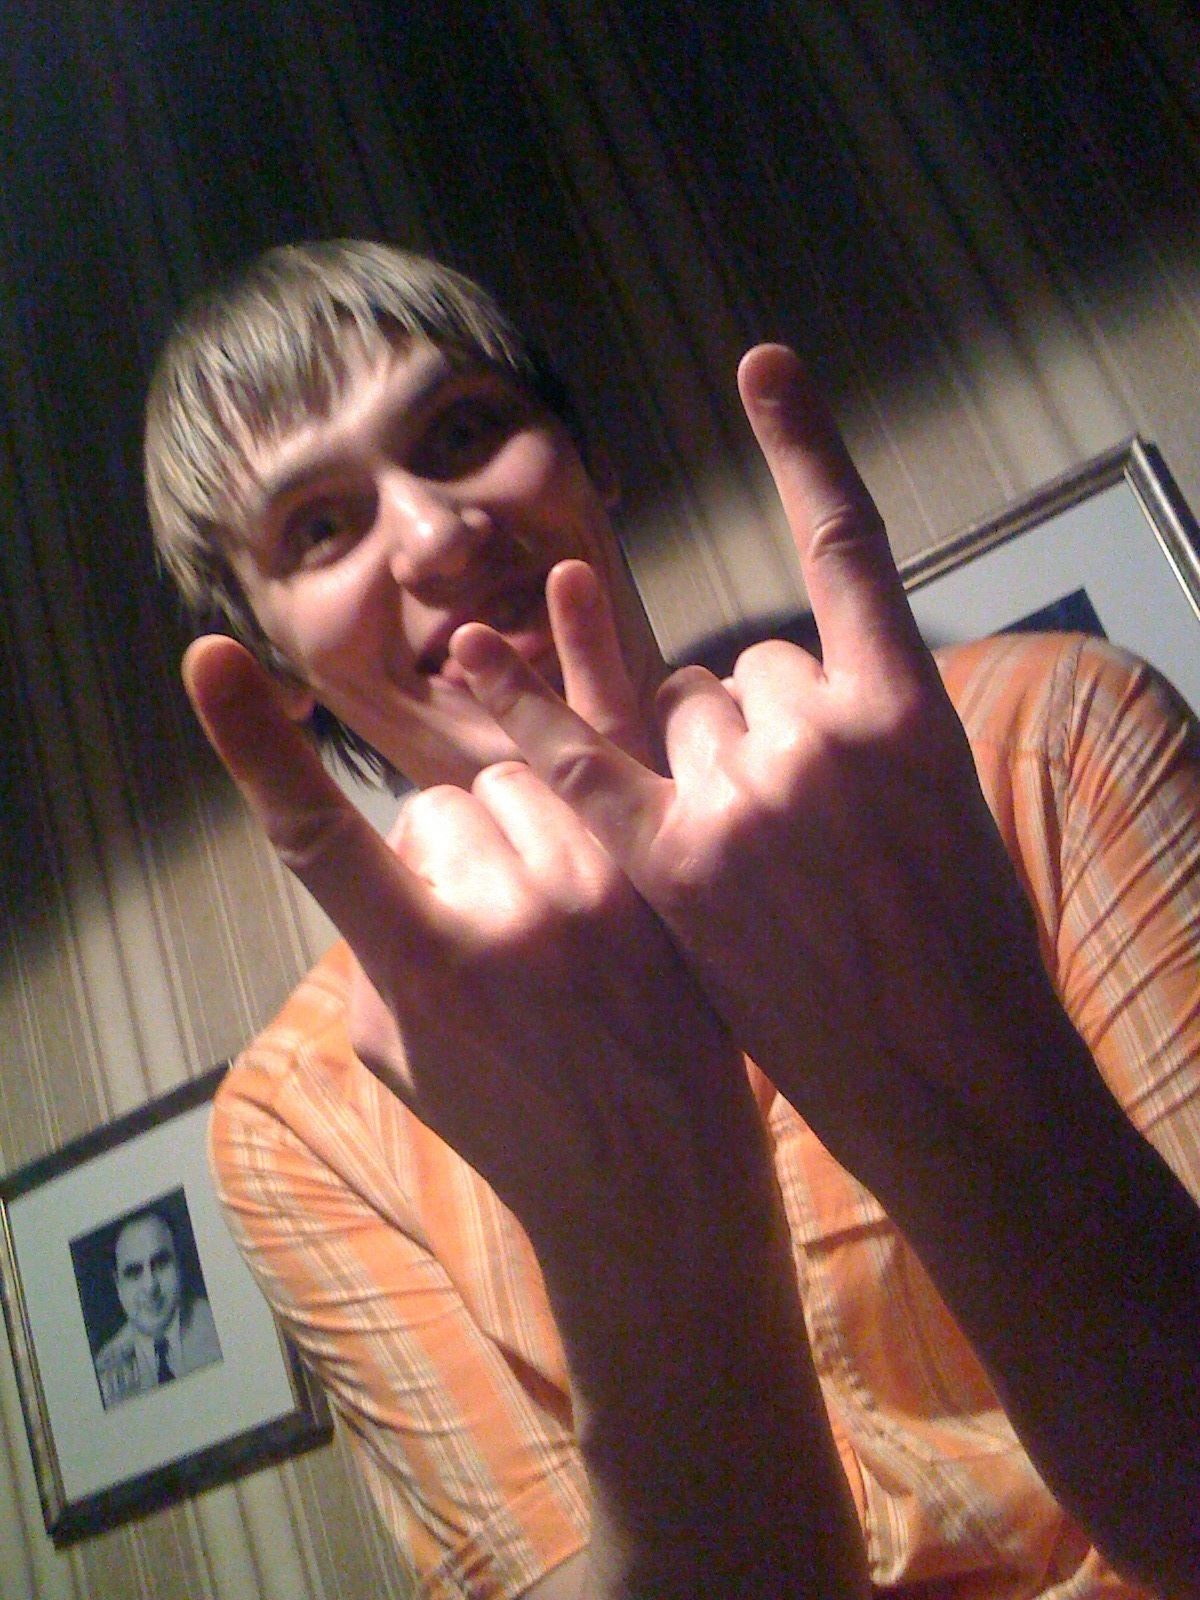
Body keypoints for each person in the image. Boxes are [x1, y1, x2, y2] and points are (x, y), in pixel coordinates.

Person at [144, 241, 1200, 1599]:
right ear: (274, 661)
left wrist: (947, 1071)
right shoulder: (302, 1117)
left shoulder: (1048, 734)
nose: (436, 534)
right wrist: (643, 1243)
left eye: (461, 431)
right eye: (320, 528)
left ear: (587, 462)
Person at [93, 1208, 222, 1409]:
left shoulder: (218, 1326)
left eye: (161, 1263)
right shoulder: (104, 1374)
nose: (150, 1286)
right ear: (118, 1284)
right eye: (133, 1272)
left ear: (178, 1264)